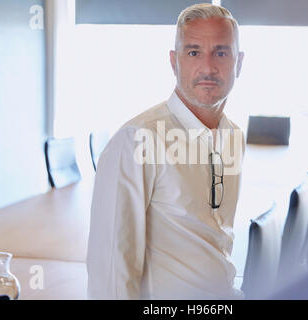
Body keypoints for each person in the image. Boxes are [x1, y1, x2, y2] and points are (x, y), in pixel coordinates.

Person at [86, 3, 245, 299]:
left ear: (239, 63)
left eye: (221, 53)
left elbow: (219, 241)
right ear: (174, 62)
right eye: (194, 52)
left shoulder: (233, 136)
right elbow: (110, 275)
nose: (208, 67)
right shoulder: (137, 140)